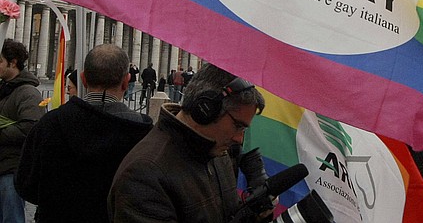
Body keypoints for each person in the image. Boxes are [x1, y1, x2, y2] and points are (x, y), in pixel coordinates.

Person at [109, 64, 267, 222]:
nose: (239, 139)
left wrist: (254, 215)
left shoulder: (216, 152)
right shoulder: (144, 175)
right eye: (238, 126)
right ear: (206, 109)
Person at [15, 44, 152, 223]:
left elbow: (26, 185)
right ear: (126, 81)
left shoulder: (50, 123)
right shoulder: (142, 131)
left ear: (83, 79)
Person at [0, 39, 44, 223]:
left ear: (13, 62)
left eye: (0, 61)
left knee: (12, 218)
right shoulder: (4, 89)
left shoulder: (28, 93)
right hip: (3, 165)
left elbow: (31, 129)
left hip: (12, 169)